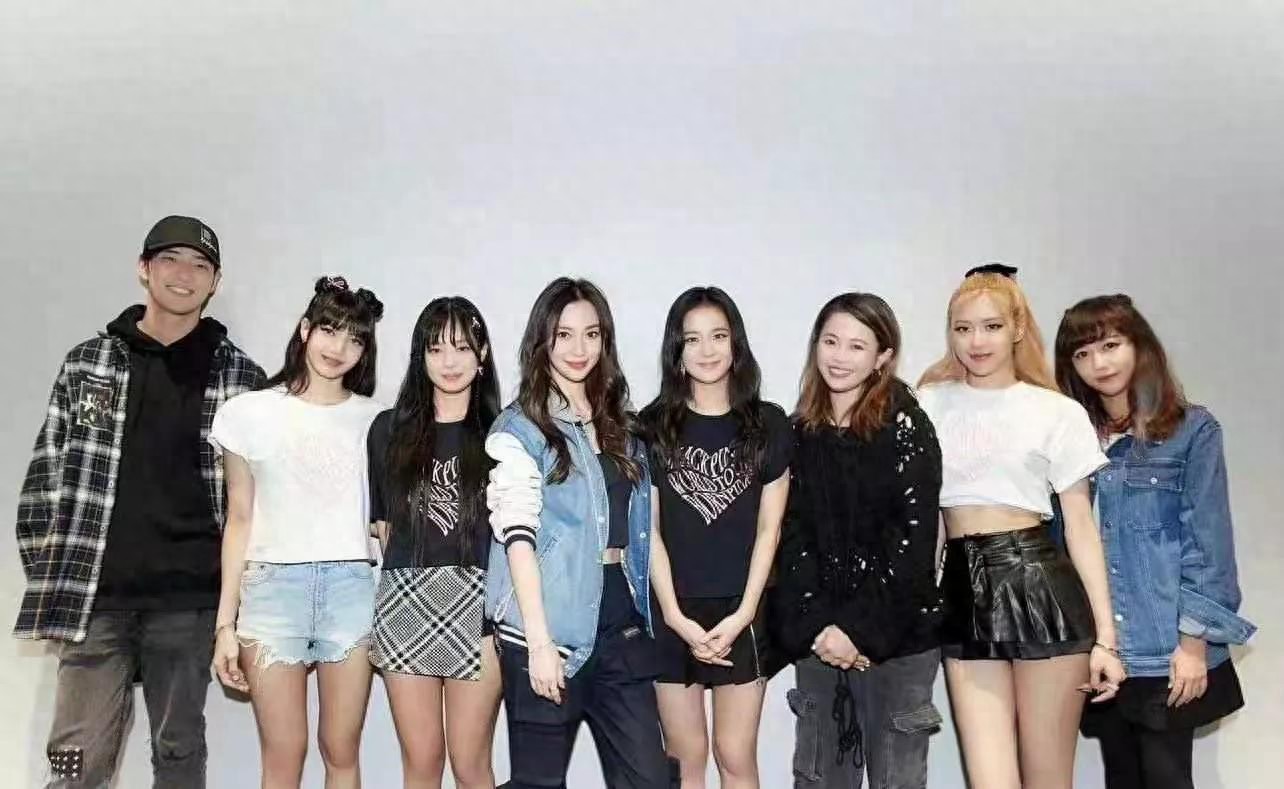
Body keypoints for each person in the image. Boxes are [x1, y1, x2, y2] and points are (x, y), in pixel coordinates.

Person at [14, 216, 263, 789]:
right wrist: (60, 576)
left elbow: (253, 505)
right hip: (96, 604)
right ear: (143, 269)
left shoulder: (241, 379)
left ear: (215, 282)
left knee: (179, 754)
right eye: (170, 259)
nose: (184, 274)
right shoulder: (89, 364)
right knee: (75, 761)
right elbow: (42, 482)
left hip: (188, 603)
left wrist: (231, 604)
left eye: (200, 265)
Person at [917, 265, 1126, 789]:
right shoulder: (928, 403)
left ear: (1017, 327)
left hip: (1040, 586)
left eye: (991, 326)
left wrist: (1106, 640)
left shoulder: (1057, 412)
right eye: (963, 328)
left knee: (1047, 778)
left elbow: (1081, 527)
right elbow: (926, 521)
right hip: (962, 591)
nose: (976, 341)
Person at [1055, 294, 1255, 789]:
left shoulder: (1191, 430)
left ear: (1139, 345)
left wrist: (1192, 645)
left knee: (1167, 778)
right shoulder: (1070, 439)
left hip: (1165, 644)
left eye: (1110, 345)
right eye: (1082, 354)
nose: (1099, 363)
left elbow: (1208, 546)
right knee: (1122, 777)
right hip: (1100, 646)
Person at [485, 276, 673, 788]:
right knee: (540, 782)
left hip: (618, 623)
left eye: (591, 334)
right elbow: (517, 538)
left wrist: (673, 615)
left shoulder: (623, 427)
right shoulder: (520, 428)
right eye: (563, 335)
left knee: (651, 778)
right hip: (547, 627)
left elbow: (645, 532)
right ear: (542, 341)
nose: (579, 348)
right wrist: (539, 644)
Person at [209, 275, 384, 789]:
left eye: (355, 339)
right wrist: (225, 625)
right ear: (305, 329)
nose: (339, 348)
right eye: (330, 330)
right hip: (271, 593)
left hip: (352, 591)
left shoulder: (376, 421)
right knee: (283, 755)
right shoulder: (247, 413)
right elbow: (239, 519)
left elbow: (385, 524)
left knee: (341, 751)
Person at [774, 292, 943, 788]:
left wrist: (856, 631)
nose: (840, 357)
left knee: (896, 780)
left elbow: (913, 542)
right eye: (831, 342)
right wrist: (823, 629)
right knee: (818, 778)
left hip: (898, 641)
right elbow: (791, 536)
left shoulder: (907, 425)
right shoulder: (799, 431)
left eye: (856, 346)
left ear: (882, 356)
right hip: (820, 642)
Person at [641, 286, 791, 788]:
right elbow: (649, 530)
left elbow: (770, 529)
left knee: (735, 754)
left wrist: (744, 613)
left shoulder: (769, 424)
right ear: (676, 350)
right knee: (685, 755)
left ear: (736, 343)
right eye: (693, 339)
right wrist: (673, 615)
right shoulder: (651, 426)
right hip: (671, 610)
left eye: (718, 336)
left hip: (742, 609)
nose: (707, 350)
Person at [367, 297, 503, 789]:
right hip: (406, 603)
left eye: (462, 348)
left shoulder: (504, 434)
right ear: (420, 355)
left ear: (481, 354)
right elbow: (385, 530)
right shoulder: (388, 431)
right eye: (436, 348)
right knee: (421, 764)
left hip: (481, 607)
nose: (449, 362)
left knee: (470, 765)